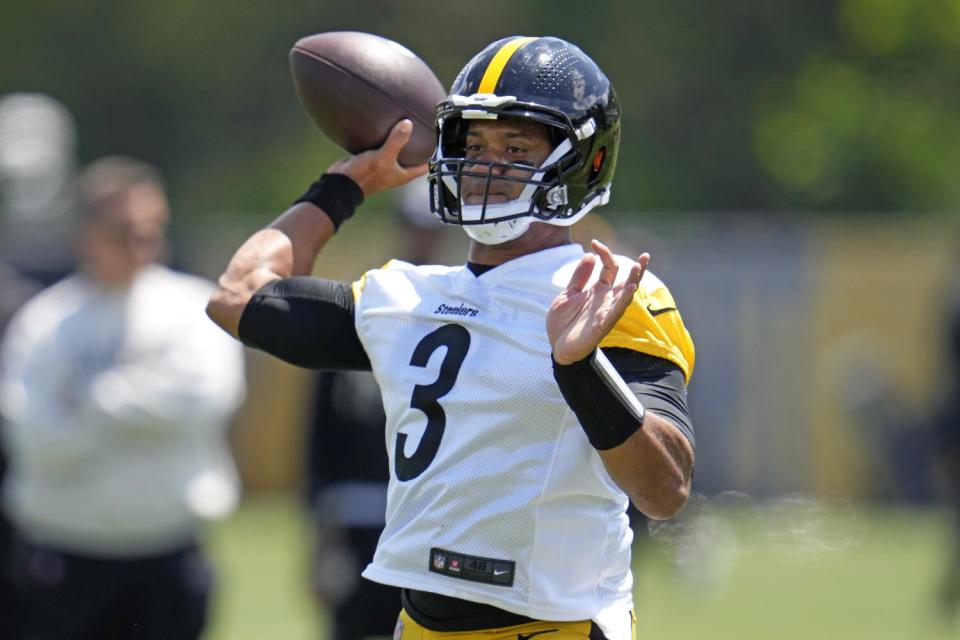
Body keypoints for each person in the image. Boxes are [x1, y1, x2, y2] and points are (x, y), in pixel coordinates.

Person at [208, 36, 695, 639]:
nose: (485, 168)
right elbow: (237, 296)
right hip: (418, 627)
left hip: (554, 627)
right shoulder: (403, 297)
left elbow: (665, 489)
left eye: (515, 147)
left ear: (583, 160)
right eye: (474, 145)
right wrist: (345, 185)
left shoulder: (604, 292)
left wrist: (580, 367)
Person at [0, 156, 246, 640]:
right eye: (125, 231)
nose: (144, 245)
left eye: (153, 229)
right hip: (65, 564)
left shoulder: (194, 309)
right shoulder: (46, 324)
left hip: (169, 559)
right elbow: (37, 438)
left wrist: (94, 401)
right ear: (86, 234)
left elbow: (205, 398)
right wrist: (145, 410)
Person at [305, 178, 452, 640]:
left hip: (436, 514)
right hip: (361, 510)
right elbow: (322, 431)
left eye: (431, 228)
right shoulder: (369, 305)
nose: (422, 238)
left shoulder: (468, 310)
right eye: (415, 226)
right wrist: (320, 537)